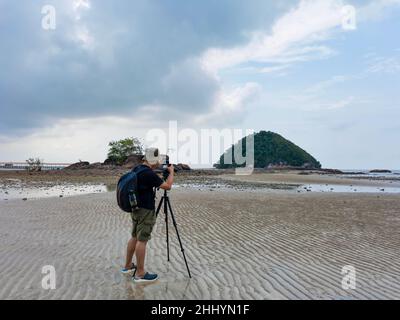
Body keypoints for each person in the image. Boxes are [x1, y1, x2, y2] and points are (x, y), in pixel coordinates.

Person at [121, 148, 174, 283]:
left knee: (134, 236)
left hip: (135, 208)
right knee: (142, 240)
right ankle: (140, 273)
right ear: (153, 160)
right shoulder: (149, 174)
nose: (158, 163)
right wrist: (171, 173)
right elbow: (167, 186)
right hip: (145, 210)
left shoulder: (137, 169)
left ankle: (127, 266)